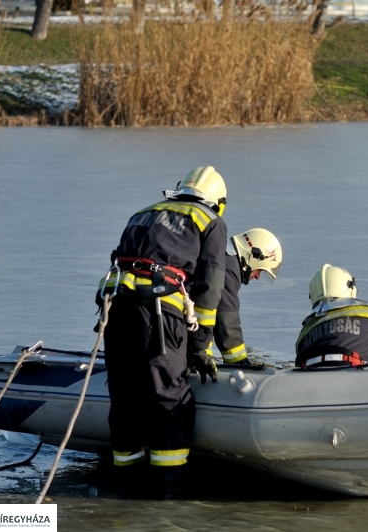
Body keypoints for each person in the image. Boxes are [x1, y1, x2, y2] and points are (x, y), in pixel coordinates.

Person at [98, 166, 228, 499]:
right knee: (169, 395)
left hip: (115, 307)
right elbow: (210, 285)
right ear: (218, 200)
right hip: (157, 311)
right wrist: (200, 346)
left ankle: (126, 485)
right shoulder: (209, 221)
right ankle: (167, 491)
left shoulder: (143, 212)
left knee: (125, 395)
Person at [213, 228, 283, 365]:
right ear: (254, 256)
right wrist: (240, 364)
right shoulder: (227, 269)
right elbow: (226, 321)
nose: (257, 277)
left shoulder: (220, 253)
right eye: (260, 270)